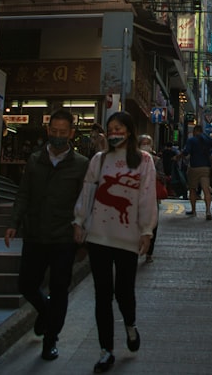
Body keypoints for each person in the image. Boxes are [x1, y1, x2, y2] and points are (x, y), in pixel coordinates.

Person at [73, 111, 157, 373]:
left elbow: (146, 196)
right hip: (99, 236)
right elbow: (88, 191)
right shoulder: (99, 160)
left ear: (129, 131)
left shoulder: (143, 160)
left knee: (124, 292)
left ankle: (130, 326)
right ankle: (105, 350)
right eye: (111, 128)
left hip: (128, 238)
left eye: (119, 128)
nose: (114, 133)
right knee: (102, 295)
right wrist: (79, 222)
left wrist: (146, 231)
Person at [5, 109, 89, 362]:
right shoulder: (34, 160)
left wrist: (81, 228)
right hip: (35, 233)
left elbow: (83, 202)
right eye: (54, 131)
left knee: (60, 288)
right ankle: (45, 311)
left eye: (63, 133)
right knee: (27, 284)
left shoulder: (81, 164)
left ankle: (51, 340)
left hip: (63, 237)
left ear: (72, 134)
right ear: (48, 130)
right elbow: (23, 194)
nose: (58, 136)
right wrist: (13, 222)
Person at [180, 125, 212, 220]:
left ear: (195, 131)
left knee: (192, 189)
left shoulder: (191, 140)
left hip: (194, 167)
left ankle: (193, 210)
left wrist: (179, 156)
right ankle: (208, 211)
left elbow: (186, 152)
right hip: (206, 167)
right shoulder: (208, 139)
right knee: (206, 189)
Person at [138, 134, 162, 263]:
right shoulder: (132, 160)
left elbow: (163, 177)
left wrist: (152, 172)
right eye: (143, 143)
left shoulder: (156, 160)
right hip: (136, 196)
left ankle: (149, 252)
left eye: (148, 143)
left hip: (153, 196)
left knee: (153, 223)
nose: (146, 146)